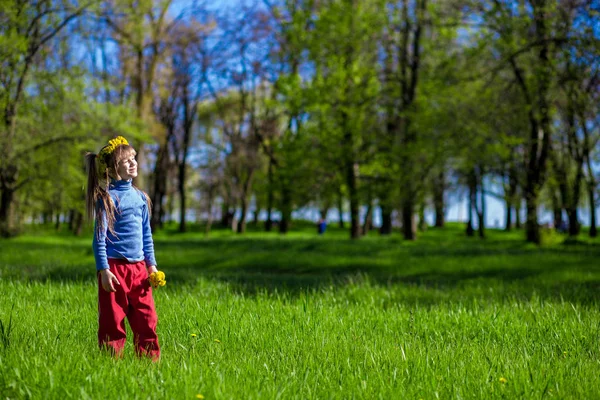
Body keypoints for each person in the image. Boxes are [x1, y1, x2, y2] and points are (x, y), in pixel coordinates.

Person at [85, 136, 162, 360]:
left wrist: (152, 266)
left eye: (134, 158)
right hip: (114, 271)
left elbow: (147, 236)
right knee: (112, 321)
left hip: (139, 271)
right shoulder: (106, 199)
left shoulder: (141, 198)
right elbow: (98, 239)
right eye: (126, 160)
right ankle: (111, 365)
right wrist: (103, 270)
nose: (133, 163)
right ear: (112, 168)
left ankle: (149, 364)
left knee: (147, 320)